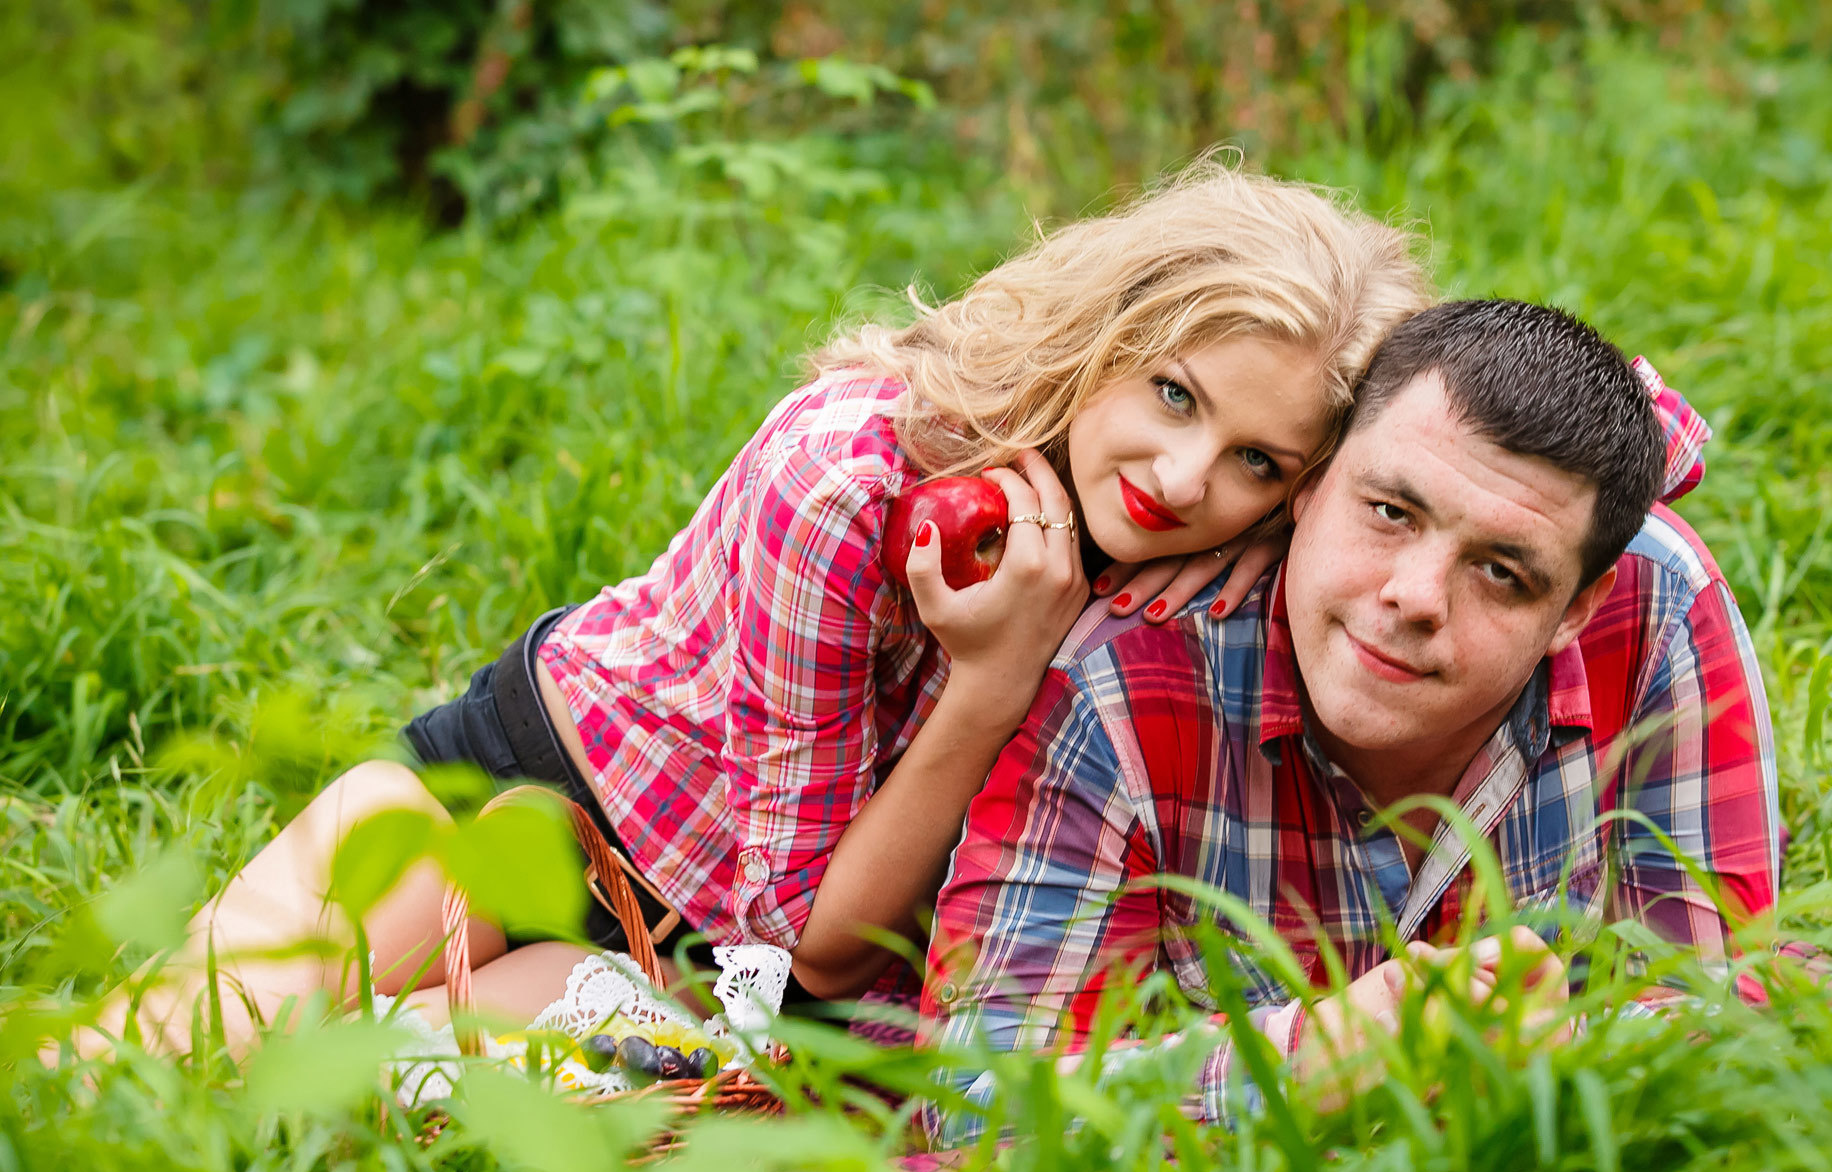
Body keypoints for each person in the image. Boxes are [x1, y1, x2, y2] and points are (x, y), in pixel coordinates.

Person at [70, 165, 1432, 1059]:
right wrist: (995, 672)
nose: (1186, 480)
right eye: (1176, 395)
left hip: (726, 986)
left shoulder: (1217, 553)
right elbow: (811, 925)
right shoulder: (851, 470)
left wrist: (1286, 553)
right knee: (154, 1061)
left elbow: (805, 968)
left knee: (352, 1102)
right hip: (555, 800)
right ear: (1106, 333)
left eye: (1261, 462)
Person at [918, 299, 1780, 1145]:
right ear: (1310, 486)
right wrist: (1311, 1057)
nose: (1415, 597)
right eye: (1390, 512)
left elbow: (1724, 1012)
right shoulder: (1133, 676)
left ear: (1576, 608)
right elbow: (973, 1097)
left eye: (1501, 572)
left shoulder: (1657, 607)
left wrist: (1548, 1061)